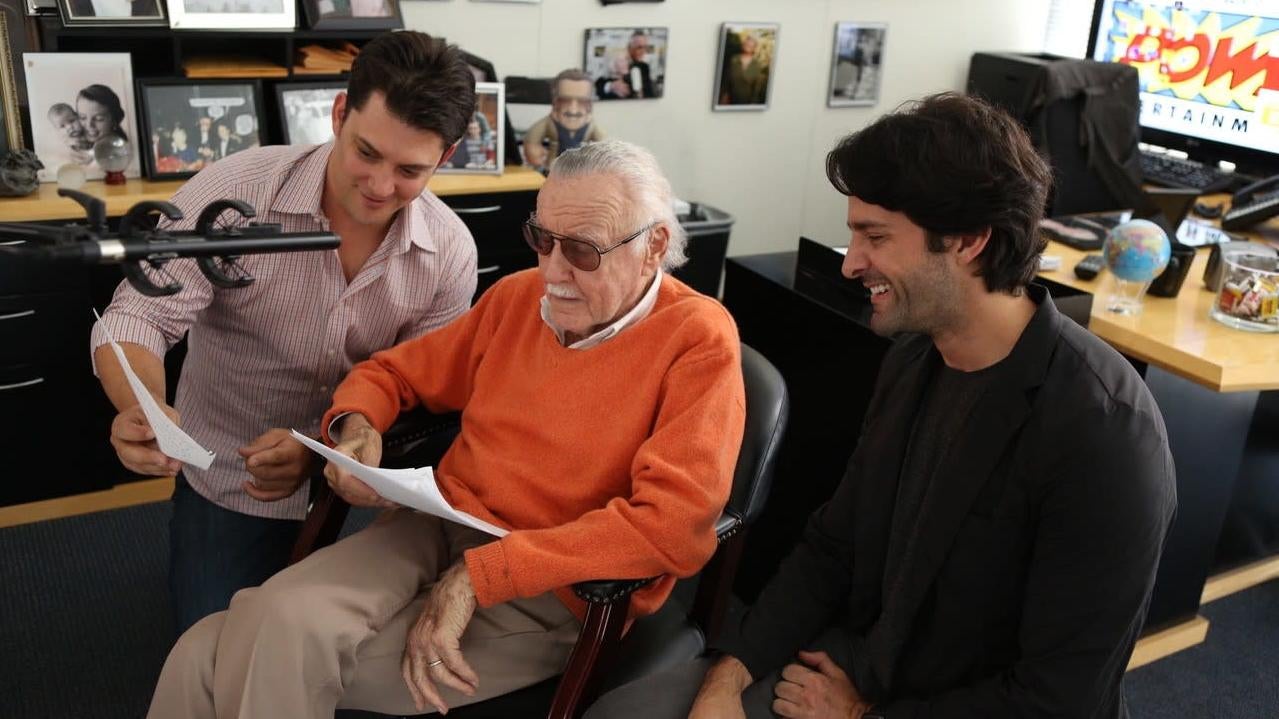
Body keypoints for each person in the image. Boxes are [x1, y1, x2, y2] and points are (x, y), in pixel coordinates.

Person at [587, 93, 1177, 718]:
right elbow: (833, 546)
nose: (850, 263)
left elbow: (1059, 698)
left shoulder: (1105, 433)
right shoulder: (915, 358)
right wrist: (727, 677)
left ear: (969, 240)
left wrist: (860, 717)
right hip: (855, 668)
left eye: (875, 237)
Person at [146, 139, 747, 718]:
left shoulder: (696, 339)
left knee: (213, 655)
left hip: (557, 586)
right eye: (541, 239)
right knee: (254, 632)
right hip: (441, 524)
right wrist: (357, 425)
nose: (553, 270)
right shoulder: (517, 299)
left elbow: (673, 526)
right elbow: (391, 374)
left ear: (653, 245)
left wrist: (484, 575)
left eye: (583, 250)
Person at [90, 30, 480, 635]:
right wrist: (143, 409)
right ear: (339, 113)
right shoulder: (235, 193)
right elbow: (137, 316)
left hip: (357, 481)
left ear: (446, 157)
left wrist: (326, 445)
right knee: (214, 648)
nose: (380, 187)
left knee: (346, 656)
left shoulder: (449, 252)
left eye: (410, 170)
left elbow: (428, 395)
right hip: (227, 470)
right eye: (366, 153)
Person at [523, 68, 606, 172]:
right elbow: (532, 139)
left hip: (582, 173)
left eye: (582, 101)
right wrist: (535, 155)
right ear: (555, 102)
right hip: (553, 171)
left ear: (589, 105)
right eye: (565, 101)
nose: (573, 109)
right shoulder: (550, 124)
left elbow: (605, 148)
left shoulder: (591, 127)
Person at [596, 31, 655, 99]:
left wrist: (641, 94)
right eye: (639, 47)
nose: (643, 51)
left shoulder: (644, 67)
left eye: (645, 47)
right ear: (630, 46)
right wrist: (610, 86)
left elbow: (650, 94)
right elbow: (599, 85)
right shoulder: (615, 60)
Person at [719, 31, 769, 106]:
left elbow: (757, 89)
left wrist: (752, 105)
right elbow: (726, 81)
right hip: (729, 102)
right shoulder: (733, 60)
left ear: (754, 48)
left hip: (746, 103)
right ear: (743, 45)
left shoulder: (757, 66)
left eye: (751, 44)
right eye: (747, 43)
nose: (748, 45)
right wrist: (724, 97)